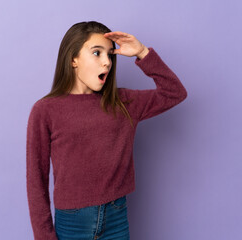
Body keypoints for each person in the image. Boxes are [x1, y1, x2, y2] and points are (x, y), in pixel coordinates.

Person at [26, 21, 187, 240]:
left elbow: (174, 92)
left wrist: (142, 52)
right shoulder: (45, 110)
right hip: (72, 223)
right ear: (73, 59)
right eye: (96, 53)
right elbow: (36, 180)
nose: (107, 63)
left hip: (116, 219)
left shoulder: (123, 102)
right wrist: (44, 236)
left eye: (110, 55)